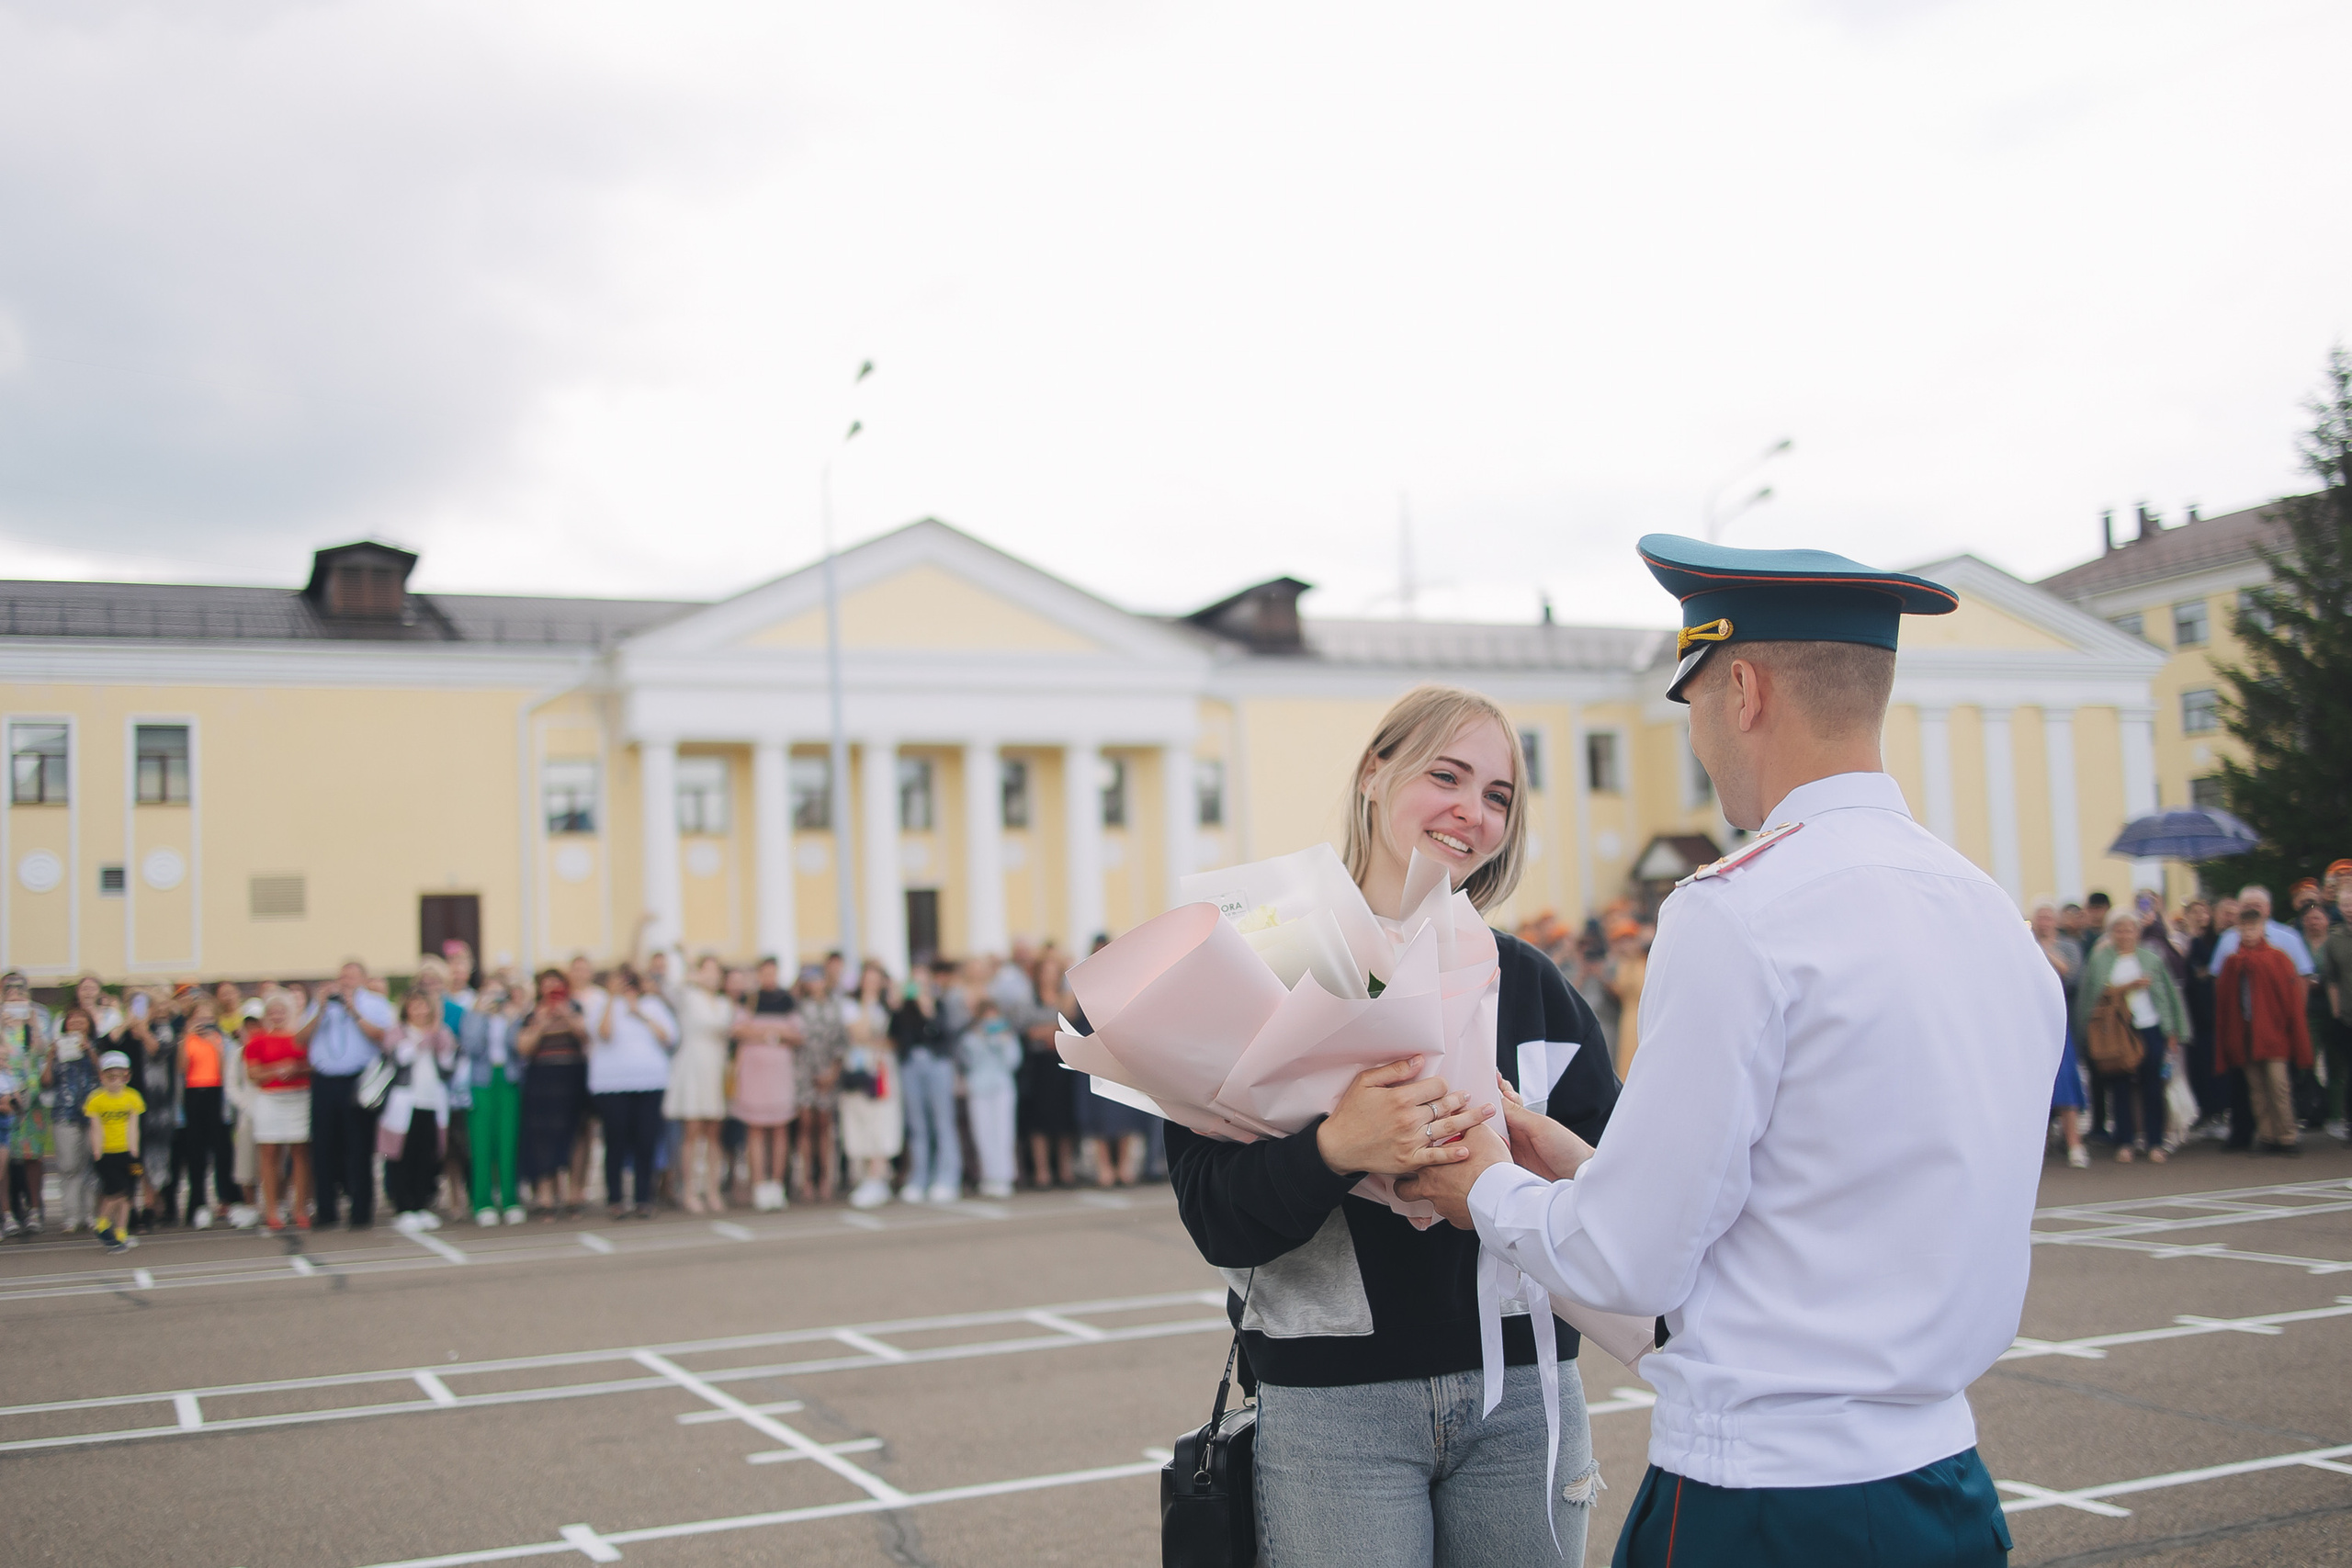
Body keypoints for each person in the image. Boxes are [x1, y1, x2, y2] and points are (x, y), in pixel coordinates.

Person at [1405, 539, 2054, 1568]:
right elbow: (1814, 1193)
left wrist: (1482, 1184)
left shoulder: (1739, 911)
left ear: (1743, 690)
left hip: (1766, 1498)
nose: (1699, 739)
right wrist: (1580, 1163)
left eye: (1694, 703)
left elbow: (1630, 1259)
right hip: (1945, 1482)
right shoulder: (1990, 916)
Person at [1167, 682, 1618, 1568]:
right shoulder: (1262, 966)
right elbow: (1214, 1215)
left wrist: (1526, 1153)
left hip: (1525, 1397)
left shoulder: (1531, 984)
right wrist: (1335, 1148)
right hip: (1337, 1408)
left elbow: (1620, 1191)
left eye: (1498, 795)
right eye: (1446, 775)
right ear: (1374, 773)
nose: (1472, 811)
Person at [2075, 910, 2188, 1164]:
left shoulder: (2151, 957)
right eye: (2119, 930)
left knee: (2153, 1085)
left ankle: (2155, 1142)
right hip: (2116, 1031)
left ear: (2138, 932)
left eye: (2129, 929)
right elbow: (2092, 996)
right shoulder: (2100, 959)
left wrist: (2173, 1030)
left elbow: (2169, 994)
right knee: (2120, 1086)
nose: (2125, 935)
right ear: (2111, 933)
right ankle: (2124, 1141)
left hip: (2150, 1025)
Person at [297, 961, 395, 1230]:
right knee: (323, 1147)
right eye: (342, 976)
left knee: (358, 1147)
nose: (345, 981)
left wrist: (353, 1010)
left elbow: (382, 1036)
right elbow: (300, 1038)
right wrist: (320, 1009)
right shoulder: (323, 1004)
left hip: (358, 1081)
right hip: (324, 1081)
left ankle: (361, 1210)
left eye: (351, 977)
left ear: (363, 979)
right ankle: (326, 1210)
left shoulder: (374, 1004)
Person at [2216, 904, 2312, 1156]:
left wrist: (2289, 1030)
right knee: (2257, 1090)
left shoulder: (2278, 958)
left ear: (2262, 929)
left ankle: (2287, 1136)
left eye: (2253, 928)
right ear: (2238, 930)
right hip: (2246, 1033)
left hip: (2273, 1034)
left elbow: (2290, 1000)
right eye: (2244, 929)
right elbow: (2225, 1003)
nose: (2248, 933)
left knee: (2279, 1087)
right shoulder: (2233, 962)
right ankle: (2267, 1135)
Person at [589, 965, 675, 1218]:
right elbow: (603, 1033)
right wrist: (611, 999)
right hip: (612, 1085)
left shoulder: (652, 1005)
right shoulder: (601, 1004)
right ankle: (615, 1199)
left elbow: (669, 1038)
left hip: (650, 1083)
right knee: (615, 1141)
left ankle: (643, 1198)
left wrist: (640, 1013)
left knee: (645, 1141)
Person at [666, 955, 741, 1212]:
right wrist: (690, 975)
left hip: (716, 1066)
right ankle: (689, 1190)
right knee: (692, 1131)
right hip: (693, 1066)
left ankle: (712, 1190)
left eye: (715, 971)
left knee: (714, 1133)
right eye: (706, 970)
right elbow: (671, 988)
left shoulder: (724, 1002)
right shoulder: (688, 996)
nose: (711, 976)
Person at [380, 989, 458, 1229]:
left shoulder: (441, 1033)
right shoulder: (398, 1032)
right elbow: (401, 1058)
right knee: (403, 1155)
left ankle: (422, 1204)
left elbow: (448, 1065)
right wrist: (426, 1037)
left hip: (432, 1102)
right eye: (415, 1006)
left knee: (428, 1155)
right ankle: (404, 1206)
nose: (420, 1011)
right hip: (405, 1104)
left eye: (424, 1005)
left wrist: (441, 1041)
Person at [517, 970, 591, 1219]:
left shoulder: (575, 1009)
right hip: (542, 1082)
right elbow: (524, 1048)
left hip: (573, 1078)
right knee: (542, 1137)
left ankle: (574, 1194)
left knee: (577, 1135)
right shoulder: (532, 1014)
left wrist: (567, 1016)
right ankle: (546, 1194)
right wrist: (541, 1022)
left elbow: (587, 1037)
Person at [459, 972, 529, 1224]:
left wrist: (512, 1019)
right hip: (482, 1082)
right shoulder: (472, 1016)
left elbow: (518, 1048)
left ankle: (510, 1199)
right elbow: (472, 1047)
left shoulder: (512, 1015)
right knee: (481, 1143)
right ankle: (482, 1202)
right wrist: (480, 1014)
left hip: (507, 1081)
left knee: (508, 1142)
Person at [730, 961, 800, 1211]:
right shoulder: (749, 1000)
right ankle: (759, 1185)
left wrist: (763, 1033)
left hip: (779, 1073)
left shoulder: (787, 1000)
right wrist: (773, 1033)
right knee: (756, 1129)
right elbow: (738, 1030)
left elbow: (797, 1034)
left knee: (780, 1129)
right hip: (754, 1074)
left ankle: (777, 1185)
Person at [893, 964, 961, 1202]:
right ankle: (919, 1177)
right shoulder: (903, 1009)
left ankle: (947, 1177)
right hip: (911, 1065)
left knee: (943, 1122)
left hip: (937, 1064)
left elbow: (942, 1033)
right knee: (917, 1125)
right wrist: (896, 1004)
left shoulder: (940, 1005)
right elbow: (896, 1035)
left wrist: (927, 1008)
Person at [243, 995, 312, 1230]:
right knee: (270, 1151)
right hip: (270, 1098)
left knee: (300, 1151)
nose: (277, 1015)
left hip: (299, 1096)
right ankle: (272, 1209)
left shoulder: (301, 1037)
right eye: (272, 1011)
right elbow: (253, 1074)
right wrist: (276, 1070)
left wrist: (296, 1069)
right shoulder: (257, 1040)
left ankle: (300, 1208)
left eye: (281, 1010)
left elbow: (313, 1065)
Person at [838, 962, 903, 1209]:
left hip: (881, 1068)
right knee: (859, 1119)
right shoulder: (852, 1006)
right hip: (859, 1067)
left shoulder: (890, 1007)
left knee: (881, 1120)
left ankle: (878, 1176)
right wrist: (868, 1002)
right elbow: (859, 1033)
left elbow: (896, 1039)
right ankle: (866, 1177)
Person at [2030, 899, 2090, 1168]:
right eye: (2040, 917)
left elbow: (2067, 971)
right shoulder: (2025, 944)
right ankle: (2037, 1145)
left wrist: (2041, 948)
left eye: (2048, 917)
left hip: (2060, 1019)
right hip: (2034, 1021)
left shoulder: (2067, 945)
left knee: (2066, 1082)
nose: (2044, 922)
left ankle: (2074, 1144)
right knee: (2035, 1085)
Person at [1017, 952, 1077, 1189]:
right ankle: (1042, 1170)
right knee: (1039, 1118)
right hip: (1039, 1066)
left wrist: (1047, 1031)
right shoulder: (1028, 1000)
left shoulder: (1065, 998)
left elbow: (1071, 1024)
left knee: (1064, 1118)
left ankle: (1064, 1168)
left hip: (1062, 1062)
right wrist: (1052, 1031)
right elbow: (1027, 1030)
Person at [789, 964, 846, 1202]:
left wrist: (833, 1071)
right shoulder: (798, 1006)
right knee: (805, 1125)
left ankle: (825, 1178)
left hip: (827, 1068)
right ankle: (806, 1180)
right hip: (803, 1070)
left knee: (824, 1125)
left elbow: (841, 1042)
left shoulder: (835, 1006)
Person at [176, 998, 234, 1226]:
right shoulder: (187, 1039)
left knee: (222, 1150)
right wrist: (186, 1036)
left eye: (209, 1018)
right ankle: (197, 1203)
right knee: (195, 1152)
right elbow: (181, 1068)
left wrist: (217, 1046)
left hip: (216, 1093)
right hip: (194, 1093)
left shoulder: (221, 1039)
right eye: (200, 1018)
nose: (204, 1023)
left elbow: (226, 1071)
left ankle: (227, 1200)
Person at [2, 973, 52, 1235]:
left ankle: (34, 1209)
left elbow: (42, 1051)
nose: (15, 995)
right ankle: (7, 1213)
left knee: (32, 1156)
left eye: (20, 991)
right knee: (3, 1159)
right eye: (9, 991)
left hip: (31, 1098)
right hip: (5, 1097)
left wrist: (31, 1023)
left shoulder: (37, 1017)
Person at [959, 997, 1022, 1200]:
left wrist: (1002, 1041)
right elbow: (967, 1061)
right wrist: (980, 1038)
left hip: (1002, 1088)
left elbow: (1013, 1062)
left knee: (1003, 1132)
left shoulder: (1008, 1037)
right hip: (979, 1089)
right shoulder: (971, 1038)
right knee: (983, 1133)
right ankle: (988, 1175)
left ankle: (1004, 1176)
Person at [85, 1050, 145, 1253]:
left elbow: (134, 1127)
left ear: (127, 1077)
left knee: (128, 1194)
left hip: (128, 1154)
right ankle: (102, 1223)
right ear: (102, 1077)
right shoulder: (96, 1099)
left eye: (120, 1077)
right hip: (107, 1154)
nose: (116, 1082)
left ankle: (121, 1232)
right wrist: (97, 1153)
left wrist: (135, 1153)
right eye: (111, 1077)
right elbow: (95, 1128)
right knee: (115, 1191)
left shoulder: (133, 1097)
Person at [48, 1008, 100, 1235]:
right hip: (64, 1112)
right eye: (72, 1019)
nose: (77, 1023)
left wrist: (90, 1051)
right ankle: (71, 1216)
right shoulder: (58, 1047)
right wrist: (50, 1056)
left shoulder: (97, 1045)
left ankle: (91, 1214)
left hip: (93, 1112)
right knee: (69, 1165)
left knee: (92, 1165)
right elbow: (46, 1081)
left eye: (82, 1019)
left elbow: (105, 1074)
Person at [2317, 884, 2352, 1143]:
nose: (2350, 909)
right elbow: (2331, 979)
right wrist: (2336, 1010)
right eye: (2345, 904)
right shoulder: (2334, 940)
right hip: (2348, 1017)